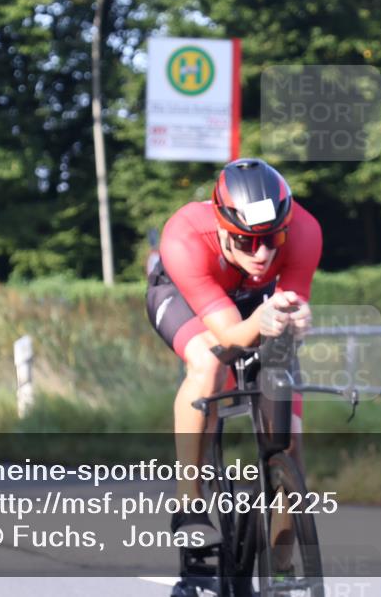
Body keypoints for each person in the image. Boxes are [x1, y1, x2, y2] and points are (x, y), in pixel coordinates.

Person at [146, 158, 322, 550]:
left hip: (254, 301)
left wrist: (296, 318)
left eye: (272, 240)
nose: (261, 255)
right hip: (185, 297)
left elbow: (286, 315)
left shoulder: (305, 231)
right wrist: (263, 320)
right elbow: (230, 336)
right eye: (245, 241)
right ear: (224, 228)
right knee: (209, 361)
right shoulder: (184, 237)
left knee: (290, 434)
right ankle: (189, 500)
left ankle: (282, 567)